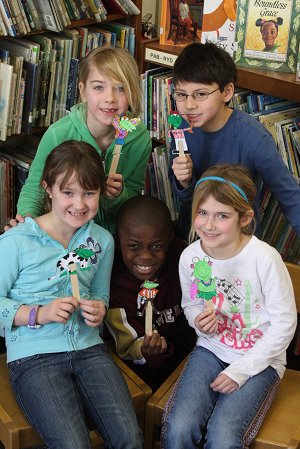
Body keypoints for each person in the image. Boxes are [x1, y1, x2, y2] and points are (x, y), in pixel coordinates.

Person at [0, 140, 143, 449]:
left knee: (130, 439)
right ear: (47, 188)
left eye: (89, 194)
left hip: (90, 350)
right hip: (34, 357)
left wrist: (99, 310)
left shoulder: (101, 240)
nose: (79, 204)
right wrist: (41, 313)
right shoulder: (16, 242)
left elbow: (101, 294)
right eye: (68, 192)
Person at [161, 163, 297, 449]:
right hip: (211, 349)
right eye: (202, 213)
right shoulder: (191, 258)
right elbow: (192, 304)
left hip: (260, 359)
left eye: (222, 216)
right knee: (179, 427)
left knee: (223, 437)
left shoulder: (264, 259)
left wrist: (242, 370)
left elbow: (285, 325)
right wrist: (199, 319)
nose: (208, 225)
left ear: (244, 218)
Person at [7, 46, 152, 235]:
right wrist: (28, 222)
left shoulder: (139, 139)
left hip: (111, 237)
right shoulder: (58, 134)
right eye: (99, 87)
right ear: (83, 91)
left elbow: (133, 194)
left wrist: (117, 196)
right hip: (64, 230)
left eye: (120, 88)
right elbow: (35, 188)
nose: (110, 98)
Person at [169, 42, 300, 241]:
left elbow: (290, 197)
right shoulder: (180, 128)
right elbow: (186, 197)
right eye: (181, 94)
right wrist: (184, 182)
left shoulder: (255, 138)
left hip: (239, 244)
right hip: (194, 239)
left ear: (227, 92)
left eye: (201, 94)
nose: (189, 105)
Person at [105, 195, 196, 391]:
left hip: (193, 358)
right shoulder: (112, 283)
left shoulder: (183, 258)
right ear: (118, 240)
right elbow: (127, 348)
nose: (145, 256)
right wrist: (147, 350)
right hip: (144, 375)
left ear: (170, 239)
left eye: (157, 246)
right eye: (133, 246)